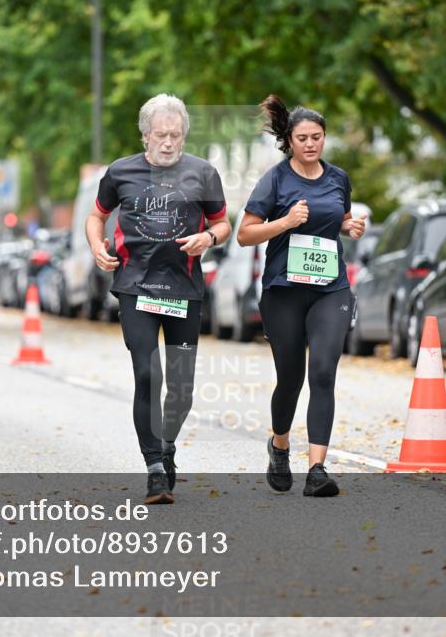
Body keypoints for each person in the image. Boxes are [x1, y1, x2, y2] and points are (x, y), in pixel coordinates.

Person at [87, 94, 231, 504]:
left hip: (184, 290)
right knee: (149, 374)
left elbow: (223, 223)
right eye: (161, 135)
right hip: (136, 287)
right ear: (145, 136)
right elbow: (96, 215)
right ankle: (154, 468)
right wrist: (97, 246)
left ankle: (167, 446)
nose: (168, 142)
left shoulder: (203, 173)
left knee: (181, 387)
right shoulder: (121, 172)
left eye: (176, 135)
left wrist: (208, 237)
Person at [237, 95, 366, 498]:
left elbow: (336, 220)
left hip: (330, 288)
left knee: (323, 372)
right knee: (290, 378)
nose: (310, 144)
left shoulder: (338, 178)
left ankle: (317, 469)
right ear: (290, 141)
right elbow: (244, 234)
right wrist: (285, 222)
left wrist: (350, 226)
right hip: (284, 291)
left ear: (324, 139)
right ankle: (279, 445)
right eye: (302, 138)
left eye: (317, 137)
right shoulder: (275, 180)